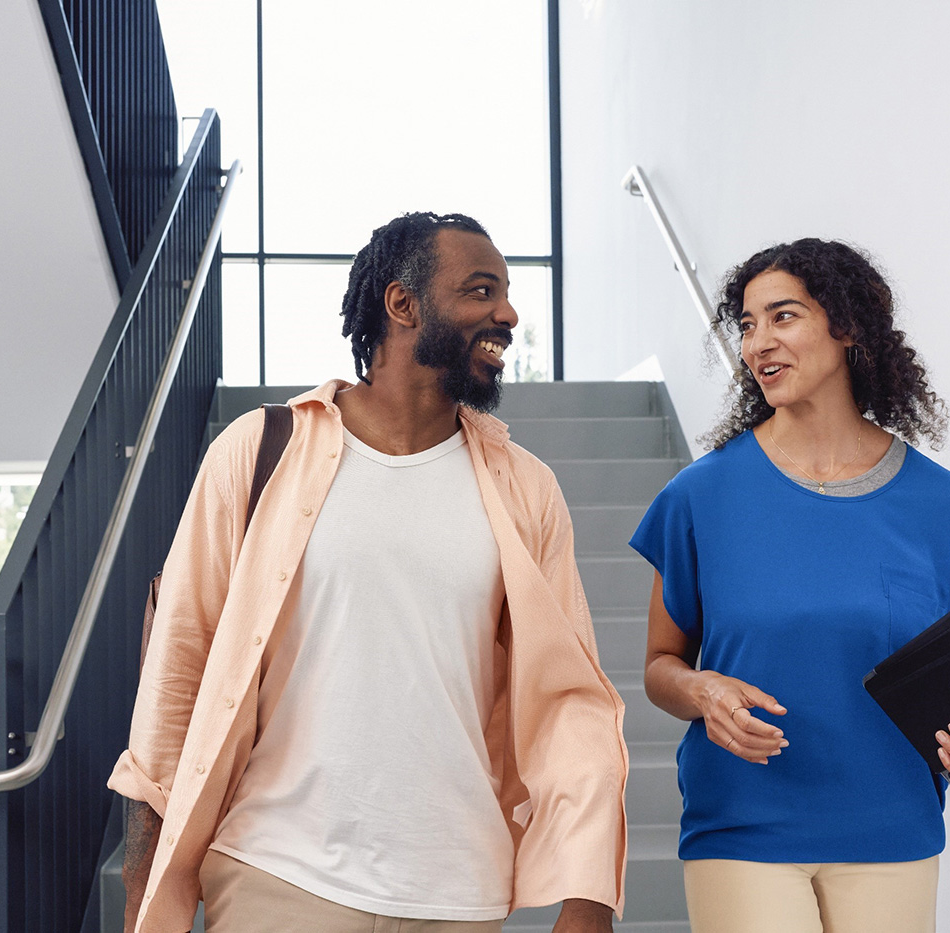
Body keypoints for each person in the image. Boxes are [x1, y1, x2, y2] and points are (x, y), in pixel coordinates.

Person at [109, 211, 627, 933]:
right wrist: (144, 886)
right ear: (402, 303)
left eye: (506, 293)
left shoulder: (525, 488)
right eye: (481, 290)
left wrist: (588, 894)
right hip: (278, 873)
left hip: (460, 889)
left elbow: (572, 702)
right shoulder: (258, 452)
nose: (506, 313)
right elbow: (176, 670)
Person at [629, 238, 950, 933]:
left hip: (894, 826)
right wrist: (704, 689)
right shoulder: (700, 497)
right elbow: (661, 665)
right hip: (743, 827)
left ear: (846, 326)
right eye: (747, 324)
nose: (757, 343)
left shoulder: (941, 504)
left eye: (782, 316)